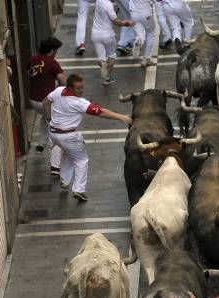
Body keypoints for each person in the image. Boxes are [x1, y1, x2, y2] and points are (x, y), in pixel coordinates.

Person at [44, 74, 132, 202]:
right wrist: (122, 117)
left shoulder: (58, 91)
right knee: (81, 160)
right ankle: (79, 190)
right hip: (69, 136)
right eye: (78, 88)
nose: (81, 91)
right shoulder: (79, 103)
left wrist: (49, 119)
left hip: (53, 133)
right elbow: (101, 112)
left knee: (68, 153)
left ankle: (65, 180)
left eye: (82, 87)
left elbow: (45, 102)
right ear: (69, 88)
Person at [28, 37, 66, 176]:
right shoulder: (52, 63)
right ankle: (55, 166)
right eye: (56, 50)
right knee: (55, 129)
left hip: (33, 100)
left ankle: (41, 143)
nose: (56, 53)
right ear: (51, 50)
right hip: (46, 102)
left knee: (45, 117)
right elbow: (63, 80)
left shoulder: (33, 59)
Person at [92, 0, 134, 85]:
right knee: (111, 56)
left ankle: (102, 63)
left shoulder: (98, 1)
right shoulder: (108, 5)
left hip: (95, 35)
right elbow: (116, 21)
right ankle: (107, 78)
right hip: (108, 35)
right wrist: (127, 23)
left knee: (101, 58)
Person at [129, 0, 157, 67]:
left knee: (139, 33)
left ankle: (139, 40)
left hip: (134, 14)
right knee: (150, 33)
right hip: (146, 13)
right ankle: (147, 58)